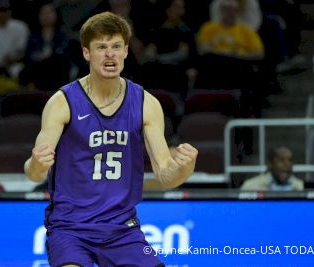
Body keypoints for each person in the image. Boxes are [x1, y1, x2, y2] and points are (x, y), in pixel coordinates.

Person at [24, 11, 198, 266]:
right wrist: (37, 164)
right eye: (101, 47)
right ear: (87, 53)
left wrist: (185, 168)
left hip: (122, 229)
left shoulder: (146, 103)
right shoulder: (63, 102)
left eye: (116, 46)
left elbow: (166, 177)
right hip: (71, 226)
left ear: (126, 51)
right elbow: (34, 173)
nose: (110, 54)